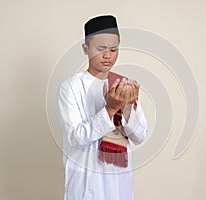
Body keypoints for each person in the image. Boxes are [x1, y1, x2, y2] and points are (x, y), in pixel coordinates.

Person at [57, 15, 148, 200]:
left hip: (119, 180)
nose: (108, 55)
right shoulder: (71, 87)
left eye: (114, 49)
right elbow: (75, 137)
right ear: (86, 49)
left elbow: (139, 136)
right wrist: (110, 109)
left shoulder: (122, 85)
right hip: (86, 179)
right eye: (101, 49)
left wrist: (128, 107)